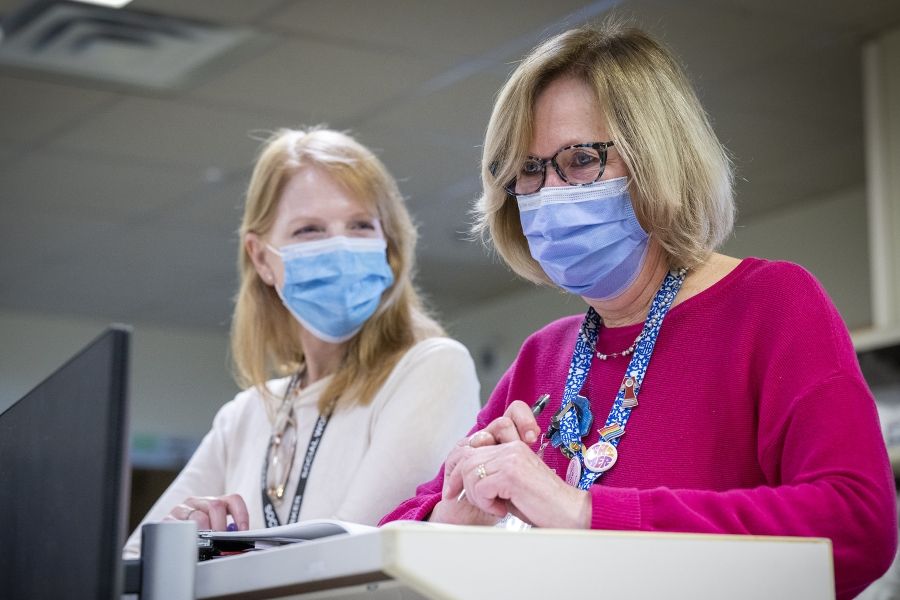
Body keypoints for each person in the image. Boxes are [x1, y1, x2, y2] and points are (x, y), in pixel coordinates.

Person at [380, 20, 897, 599]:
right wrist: (452, 520)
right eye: (528, 170)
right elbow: (387, 544)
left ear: (657, 160)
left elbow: (856, 525)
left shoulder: (772, 303)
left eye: (579, 159)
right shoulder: (544, 355)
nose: (550, 191)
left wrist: (585, 513)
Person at [124, 127, 480, 556]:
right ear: (261, 258)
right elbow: (135, 561)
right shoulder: (247, 415)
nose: (341, 246)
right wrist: (184, 539)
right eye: (309, 230)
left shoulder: (431, 369)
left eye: (361, 225)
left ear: (390, 246)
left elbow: (351, 562)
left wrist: (214, 561)